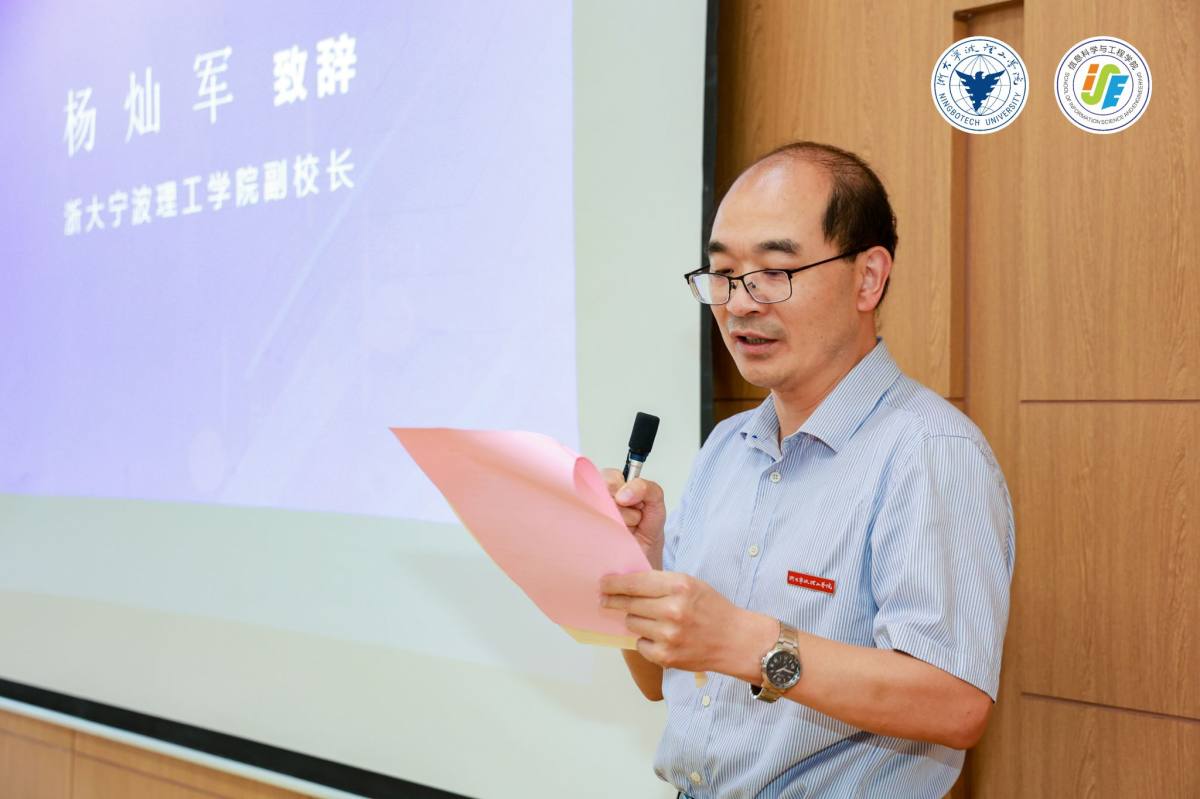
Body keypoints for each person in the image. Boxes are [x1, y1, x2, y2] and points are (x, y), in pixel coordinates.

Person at [599, 141, 1014, 798]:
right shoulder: (726, 447)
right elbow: (658, 681)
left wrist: (745, 641)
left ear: (868, 278)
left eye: (774, 270)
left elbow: (956, 704)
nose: (739, 304)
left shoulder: (929, 449)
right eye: (723, 273)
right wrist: (634, 562)